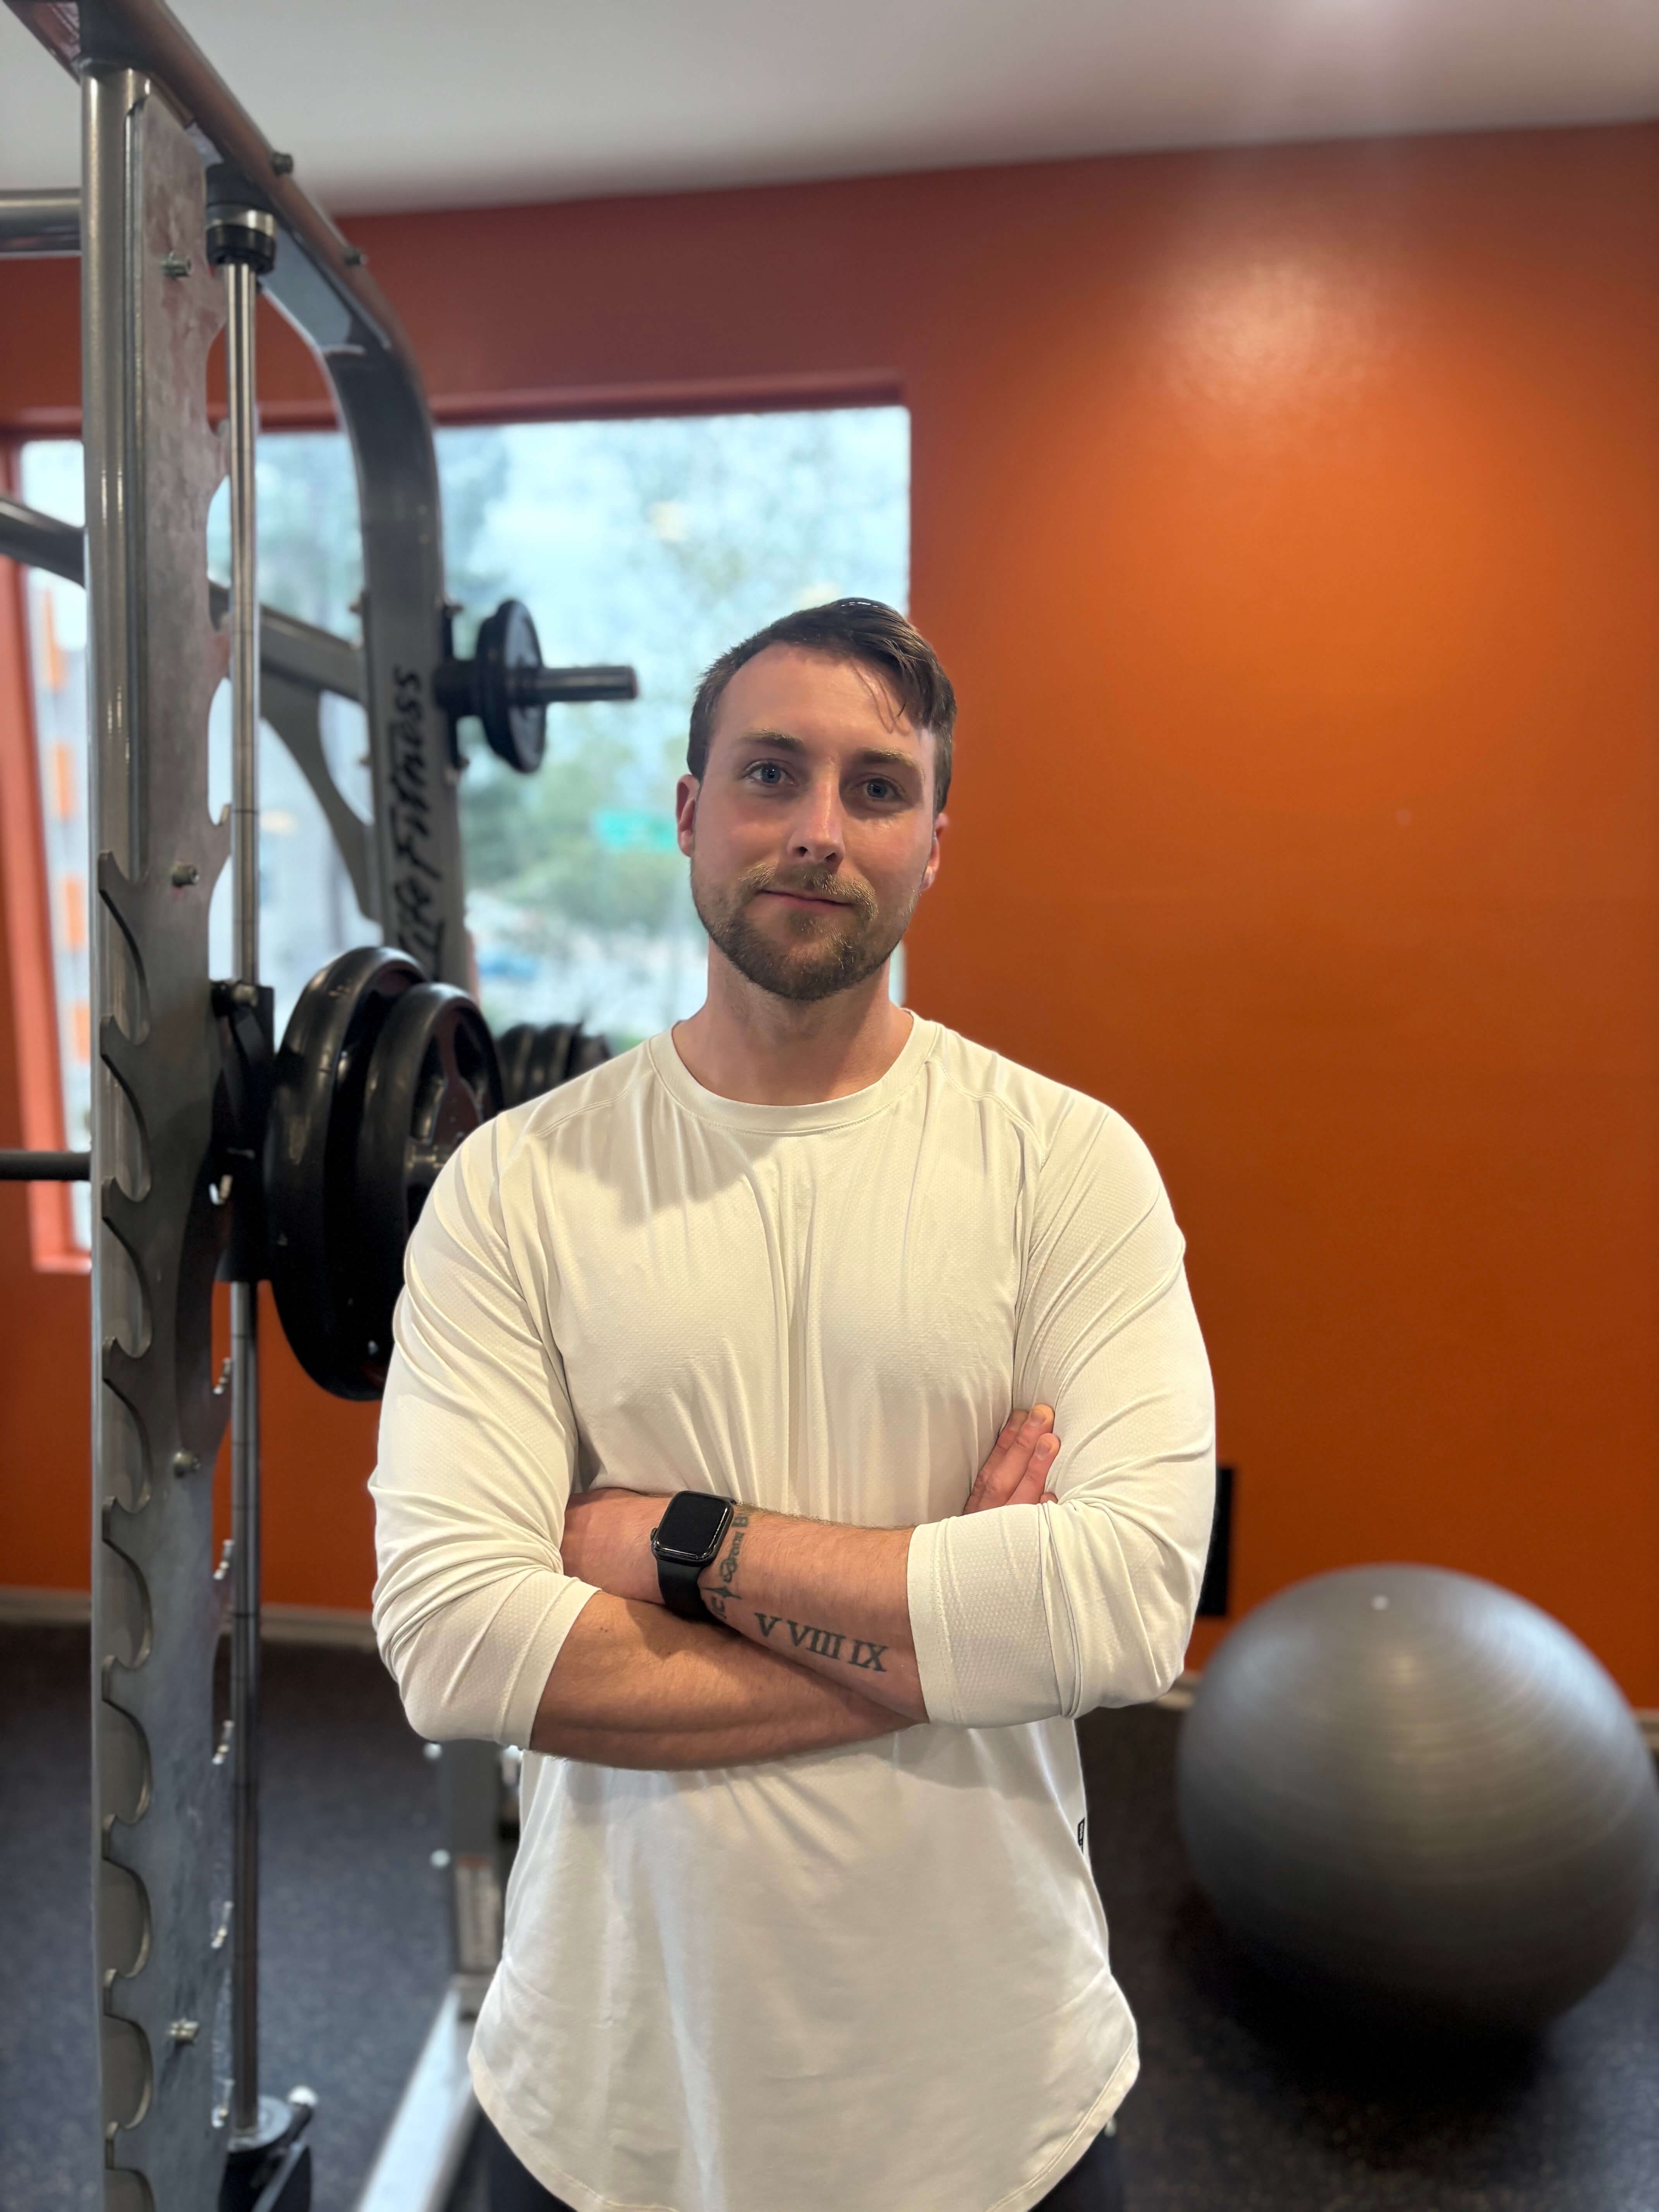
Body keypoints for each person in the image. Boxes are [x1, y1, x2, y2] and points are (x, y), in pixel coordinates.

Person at [370, 598, 1216, 2212]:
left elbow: (1126, 1608)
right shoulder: (517, 1190)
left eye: (876, 789)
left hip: (992, 2101)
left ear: (932, 841)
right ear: (692, 812)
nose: (819, 831)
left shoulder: (1067, 1165)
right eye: (770, 774)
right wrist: (955, 1633)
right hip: (617, 2097)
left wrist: (669, 1543)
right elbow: (457, 1642)